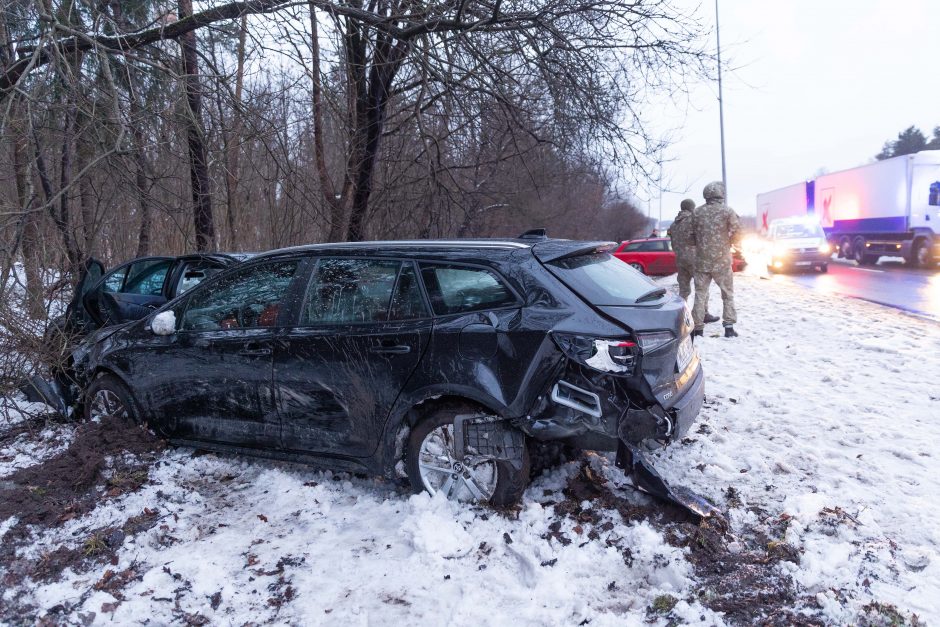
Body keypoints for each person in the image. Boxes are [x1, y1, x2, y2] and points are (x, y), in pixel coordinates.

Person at [691, 181, 741, 338]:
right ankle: (729, 328)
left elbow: (690, 236)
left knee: (700, 294)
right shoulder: (727, 211)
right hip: (722, 261)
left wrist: (700, 244)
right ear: (720, 194)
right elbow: (738, 231)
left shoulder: (697, 213)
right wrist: (731, 243)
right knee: (727, 294)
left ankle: (698, 329)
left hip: (701, 261)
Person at [667, 199, 719, 323]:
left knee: (684, 290)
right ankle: (703, 314)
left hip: (680, 260)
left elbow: (673, 244)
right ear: (692, 208)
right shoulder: (693, 220)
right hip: (696, 260)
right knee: (702, 288)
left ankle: (680, 315)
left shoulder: (674, 224)